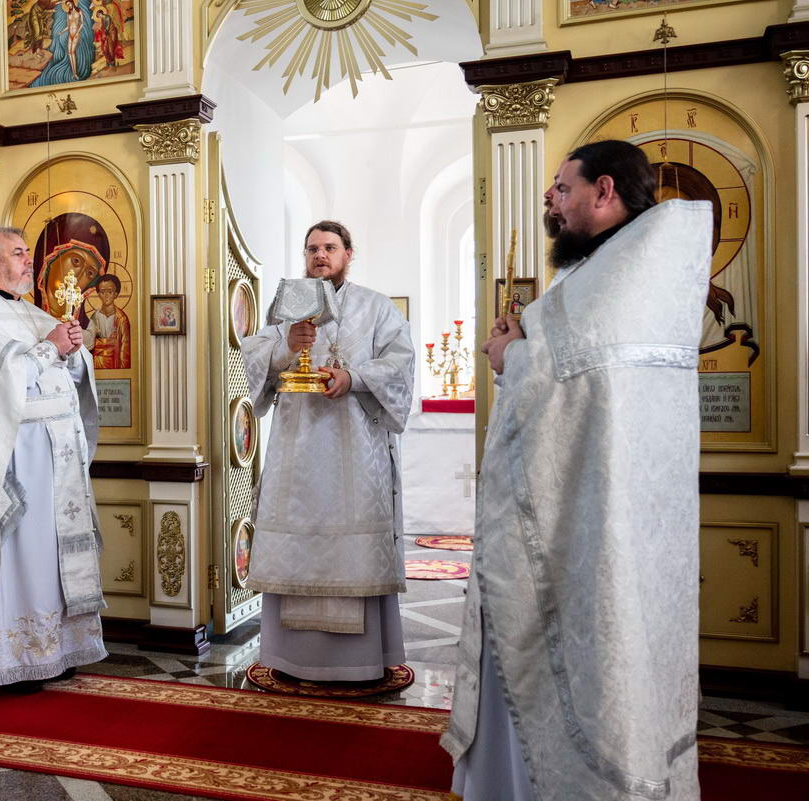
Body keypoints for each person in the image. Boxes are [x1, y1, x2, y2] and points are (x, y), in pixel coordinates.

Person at [443, 140, 710, 801]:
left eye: (563, 188)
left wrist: (510, 355)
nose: (550, 201)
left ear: (605, 190)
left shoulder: (621, 272)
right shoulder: (622, 265)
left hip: (592, 515)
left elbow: (570, 379)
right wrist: (523, 346)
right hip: (614, 503)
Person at [240, 220, 415, 682]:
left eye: (330, 247)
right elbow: (253, 360)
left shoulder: (376, 307)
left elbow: (400, 364)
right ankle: (290, 658)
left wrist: (353, 378)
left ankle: (360, 660)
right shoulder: (287, 308)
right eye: (312, 248)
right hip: (296, 454)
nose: (320, 255)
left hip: (355, 453)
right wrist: (285, 347)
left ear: (347, 254)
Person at [0, 225, 106, 691]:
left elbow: (61, 373)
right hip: (16, 459)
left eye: (27, 252)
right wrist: (52, 346)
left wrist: (73, 353)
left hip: (57, 458)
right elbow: (2, 385)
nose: (28, 260)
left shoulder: (28, 312)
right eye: (17, 253)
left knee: (53, 557)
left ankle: (59, 648)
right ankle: (15, 657)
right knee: (23, 557)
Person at [82, 273, 130, 368]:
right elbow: (90, 338)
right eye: (102, 292)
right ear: (99, 294)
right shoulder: (96, 316)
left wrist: (123, 369)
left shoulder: (121, 318)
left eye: (110, 292)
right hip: (98, 360)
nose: (106, 295)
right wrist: (78, 331)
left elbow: (125, 346)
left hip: (115, 361)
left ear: (116, 294)